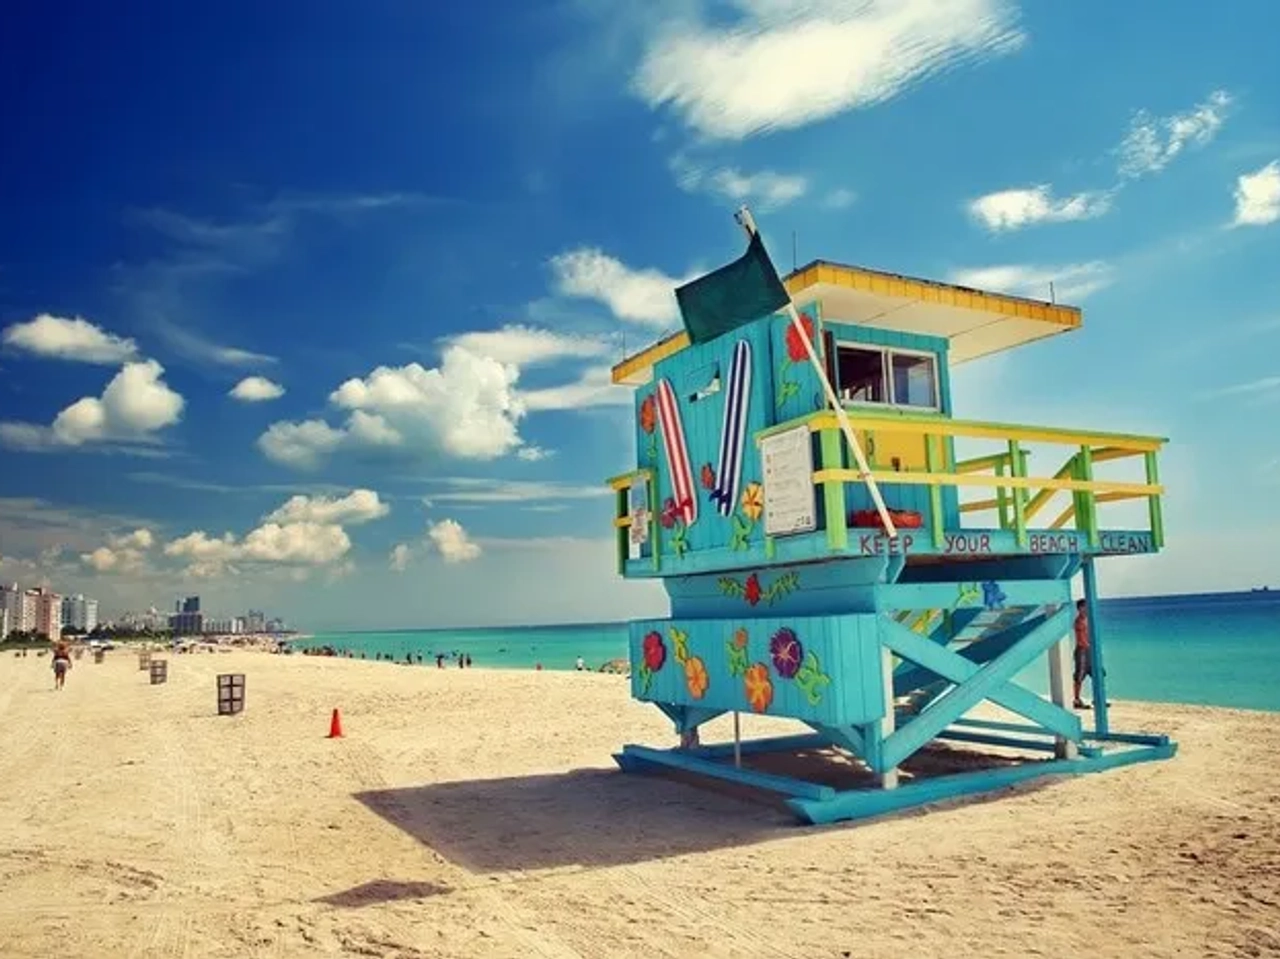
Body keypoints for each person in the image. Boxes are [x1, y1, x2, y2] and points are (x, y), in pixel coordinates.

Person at [1072, 599, 1092, 709]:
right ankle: (1076, 700)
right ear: (1080, 608)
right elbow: (1082, 640)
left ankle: (1098, 698)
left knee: (1098, 673)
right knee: (1079, 676)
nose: (1087, 609)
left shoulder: (1088, 620)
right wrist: (1089, 646)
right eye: (1085, 607)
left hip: (1089, 650)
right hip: (1082, 651)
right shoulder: (1079, 621)